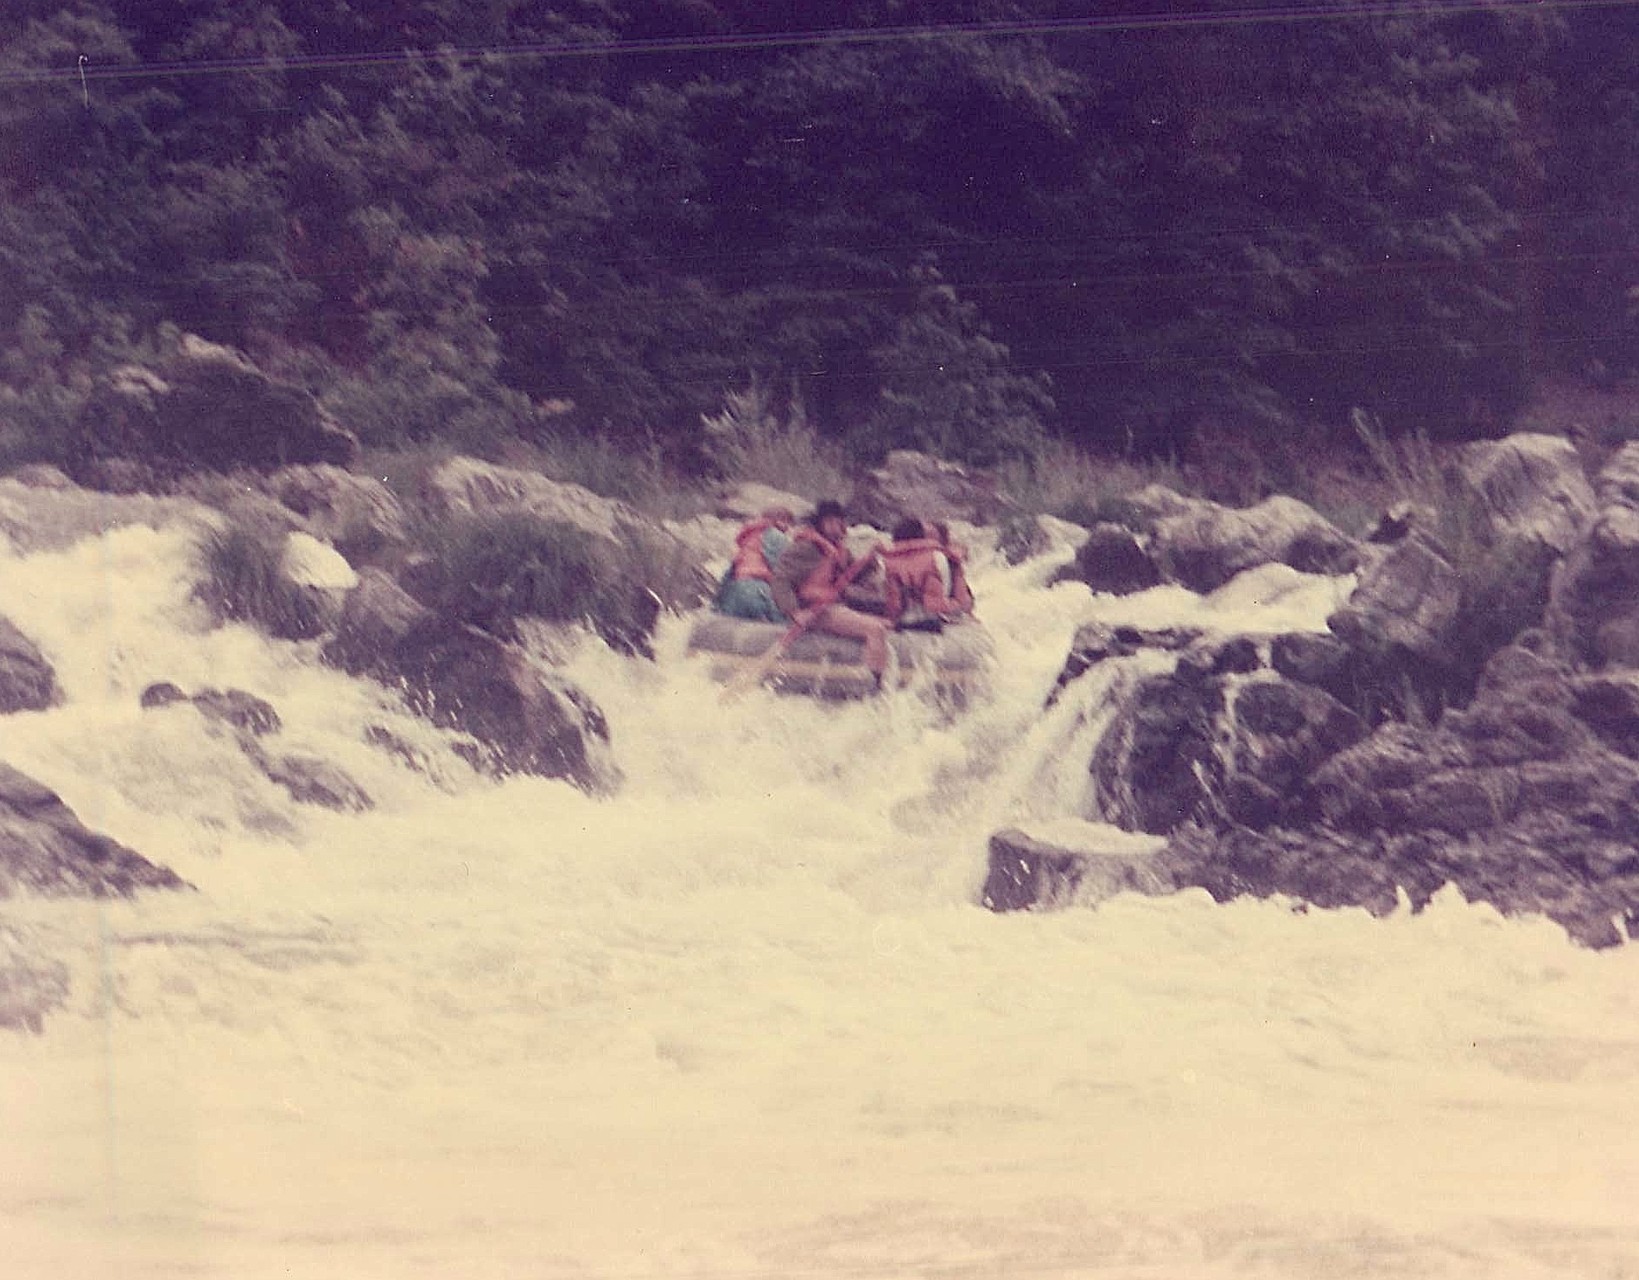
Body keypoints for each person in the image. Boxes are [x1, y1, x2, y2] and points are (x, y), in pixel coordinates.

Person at [770, 499, 890, 686]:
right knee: (875, 629)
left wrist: (871, 561)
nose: (839, 527)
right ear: (822, 523)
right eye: (833, 522)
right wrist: (795, 612)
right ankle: (874, 689)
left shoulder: (839, 550)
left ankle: (875, 675)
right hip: (814, 611)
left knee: (886, 622)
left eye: (840, 522)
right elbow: (780, 579)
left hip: (832, 607)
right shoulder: (806, 548)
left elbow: (853, 576)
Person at [880, 516, 975, 631]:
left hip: (904, 620)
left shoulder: (888, 560)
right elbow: (962, 602)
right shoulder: (942, 557)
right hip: (937, 618)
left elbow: (894, 604)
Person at [714, 506, 793, 622]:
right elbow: (784, 570)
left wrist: (718, 602)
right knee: (780, 628)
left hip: (735, 590)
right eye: (788, 523)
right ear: (780, 520)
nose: (789, 528)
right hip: (758, 589)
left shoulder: (749, 538)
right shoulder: (776, 536)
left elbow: (730, 572)